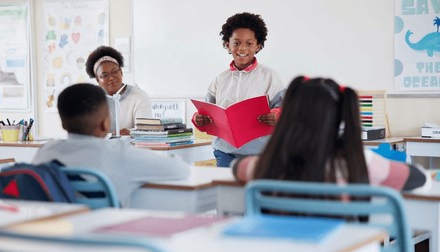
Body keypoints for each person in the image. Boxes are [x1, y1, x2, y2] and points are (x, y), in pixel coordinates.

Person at [233, 76, 427, 191]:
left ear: (289, 117)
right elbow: (418, 178)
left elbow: (237, 166)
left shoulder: (266, 166)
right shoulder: (360, 164)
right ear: (339, 118)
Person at [32, 83, 190, 207]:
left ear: (63, 124)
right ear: (105, 123)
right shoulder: (119, 153)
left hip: (58, 237)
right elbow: (180, 170)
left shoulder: (45, 152)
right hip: (108, 237)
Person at [192, 12, 286, 167]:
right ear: (227, 44)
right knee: (226, 189)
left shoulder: (270, 77)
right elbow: (206, 113)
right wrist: (198, 119)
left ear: (258, 46)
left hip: (259, 154)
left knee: (252, 190)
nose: (242, 48)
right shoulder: (220, 79)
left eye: (249, 43)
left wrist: (276, 115)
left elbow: (283, 110)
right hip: (225, 152)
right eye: (236, 43)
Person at [85, 46, 152, 136]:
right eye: (104, 75)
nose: (111, 78)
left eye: (114, 72)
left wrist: (130, 133)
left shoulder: (139, 97)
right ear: (98, 80)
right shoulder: (92, 99)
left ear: (121, 72)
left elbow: (146, 131)